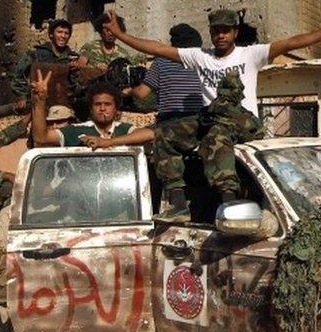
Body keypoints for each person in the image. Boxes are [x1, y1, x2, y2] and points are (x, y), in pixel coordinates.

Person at [101, 7, 321, 118]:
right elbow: (157, 48)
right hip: (214, 126)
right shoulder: (200, 56)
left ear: (235, 33)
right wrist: (121, 35)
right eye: (216, 30)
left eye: (226, 30)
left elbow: (292, 43)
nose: (220, 35)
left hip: (243, 124)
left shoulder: (250, 55)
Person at [83, 71, 263, 222]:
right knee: (166, 134)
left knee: (216, 137)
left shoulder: (245, 121)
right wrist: (108, 142)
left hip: (237, 213)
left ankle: (229, 203)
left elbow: (257, 136)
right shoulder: (206, 116)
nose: (225, 102)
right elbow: (157, 133)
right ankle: (179, 204)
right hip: (201, 210)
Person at [30, 70, 134, 148]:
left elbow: (149, 134)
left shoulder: (126, 130)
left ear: (116, 108)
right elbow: (41, 138)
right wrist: (40, 101)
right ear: (91, 108)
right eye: (97, 104)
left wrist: (109, 142)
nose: (102, 108)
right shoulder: (75, 131)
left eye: (107, 104)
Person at [130, 23, 206, 123]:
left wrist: (128, 91)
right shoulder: (205, 62)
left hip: (170, 123)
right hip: (200, 120)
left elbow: (141, 93)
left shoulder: (161, 62)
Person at [11, 19, 81, 112]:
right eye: (59, 32)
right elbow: (19, 74)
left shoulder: (73, 57)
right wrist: (21, 96)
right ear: (51, 35)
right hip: (39, 101)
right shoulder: (36, 53)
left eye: (66, 33)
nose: (63, 36)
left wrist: (75, 72)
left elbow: (76, 85)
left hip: (63, 105)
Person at [77, 13, 145, 78]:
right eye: (107, 30)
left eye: (113, 30)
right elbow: (79, 68)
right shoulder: (90, 47)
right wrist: (95, 69)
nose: (110, 33)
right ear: (100, 31)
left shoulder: (123, 54)